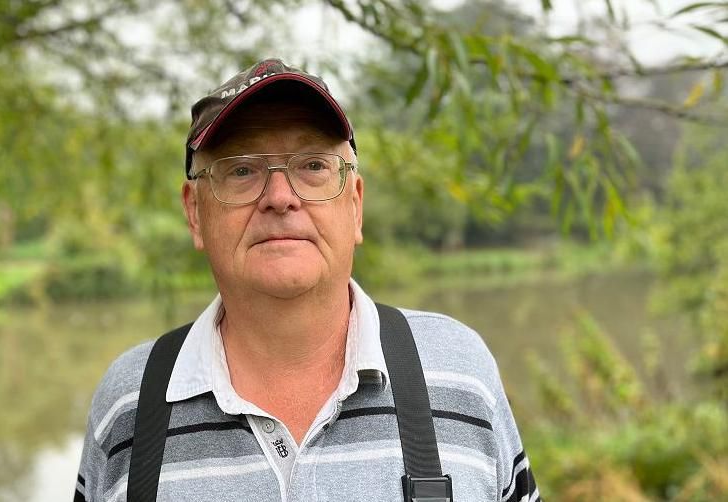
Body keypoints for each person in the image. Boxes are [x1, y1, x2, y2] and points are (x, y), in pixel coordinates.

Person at [74, 58, 540, 502]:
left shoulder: (461, 373)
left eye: (313, 166)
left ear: (355, 204)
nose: (280, 197)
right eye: (241, 170)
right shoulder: (130, 405)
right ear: (195, 212)